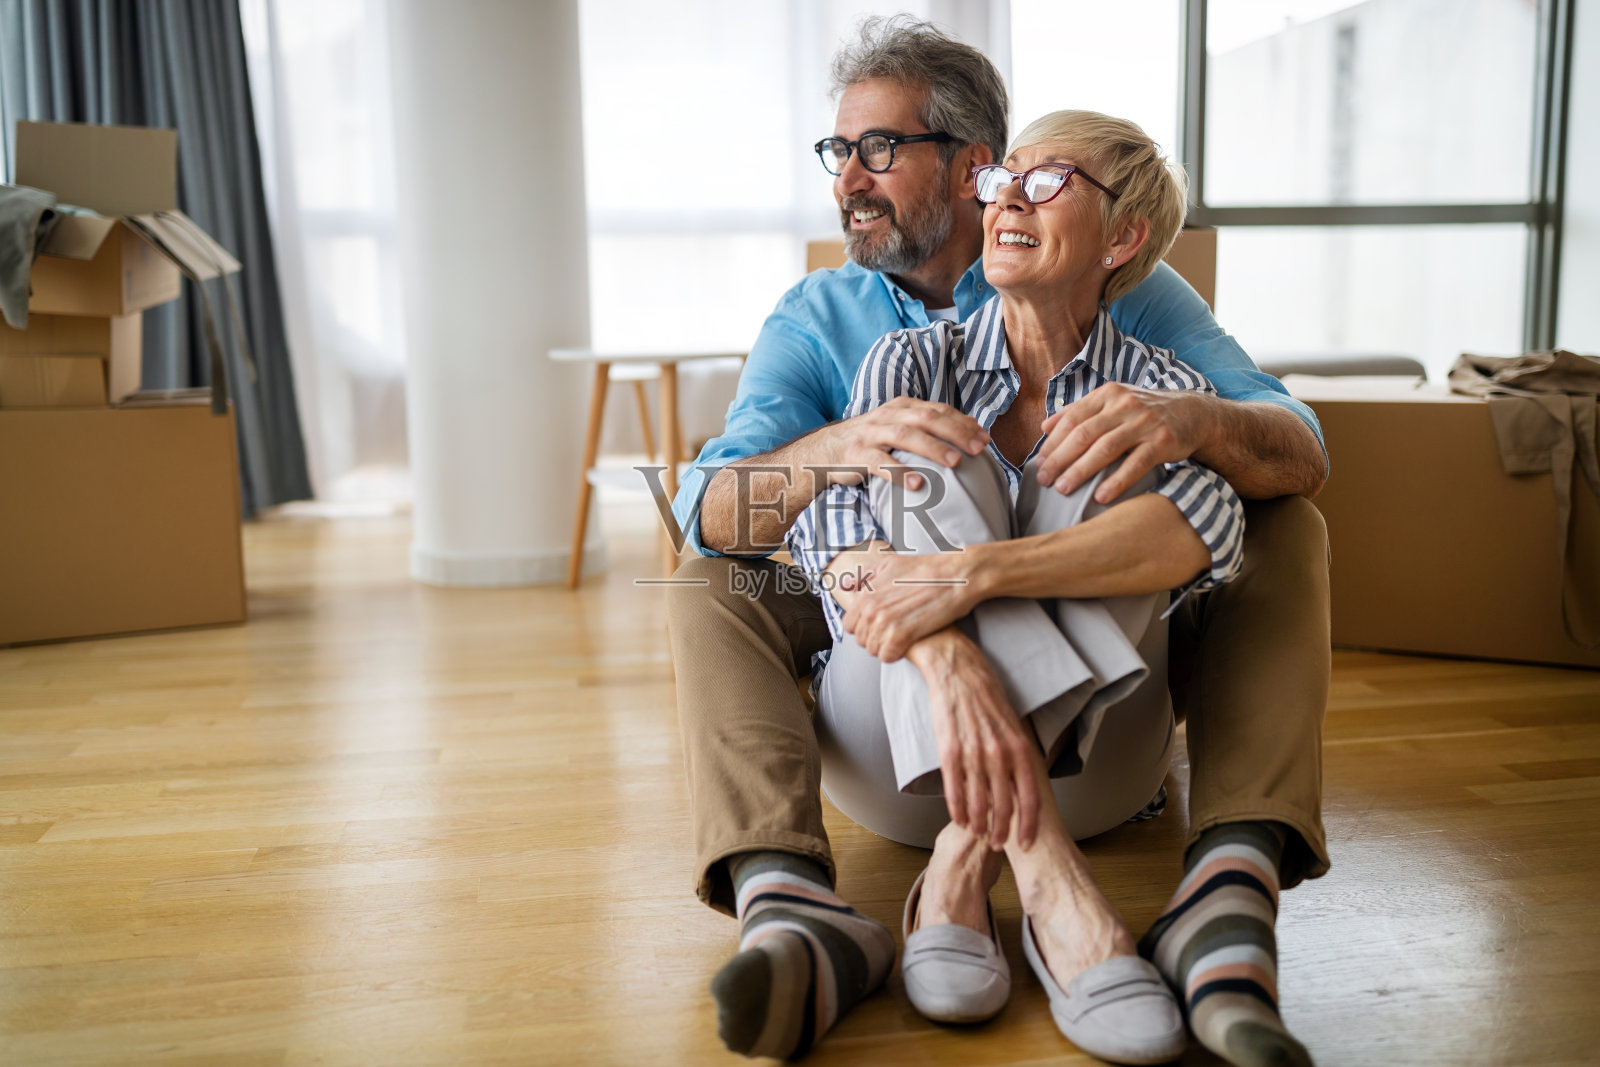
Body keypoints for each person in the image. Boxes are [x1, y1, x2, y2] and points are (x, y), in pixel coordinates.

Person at [665, 16, 1329, 1067]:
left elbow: (1291, 450)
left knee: (1272, 514)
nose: (848, 180)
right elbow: (712, 509)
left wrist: (1188, 422)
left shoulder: (1132, 295)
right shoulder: (831, 323)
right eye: (838, 151)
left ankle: (1223, 885)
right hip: (897, 687)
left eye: (878, 147)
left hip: (1100, 710)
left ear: (969, 162)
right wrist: (841, 458)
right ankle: (793, 901)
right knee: (716, 573)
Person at [782, 106, 1254, 1064]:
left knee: (1105, 466)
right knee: (933, 450)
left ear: (1123, 237)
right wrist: (946, 656)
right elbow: (827, 527)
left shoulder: (1155, 391)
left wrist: (969, 574)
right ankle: (1049, 878)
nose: (1006, 202)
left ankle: (960, 867)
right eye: (1003, 181)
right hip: (897, 750)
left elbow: (1210, 522)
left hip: (1099, 763)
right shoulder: (910, 362)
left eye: (1047, 183)